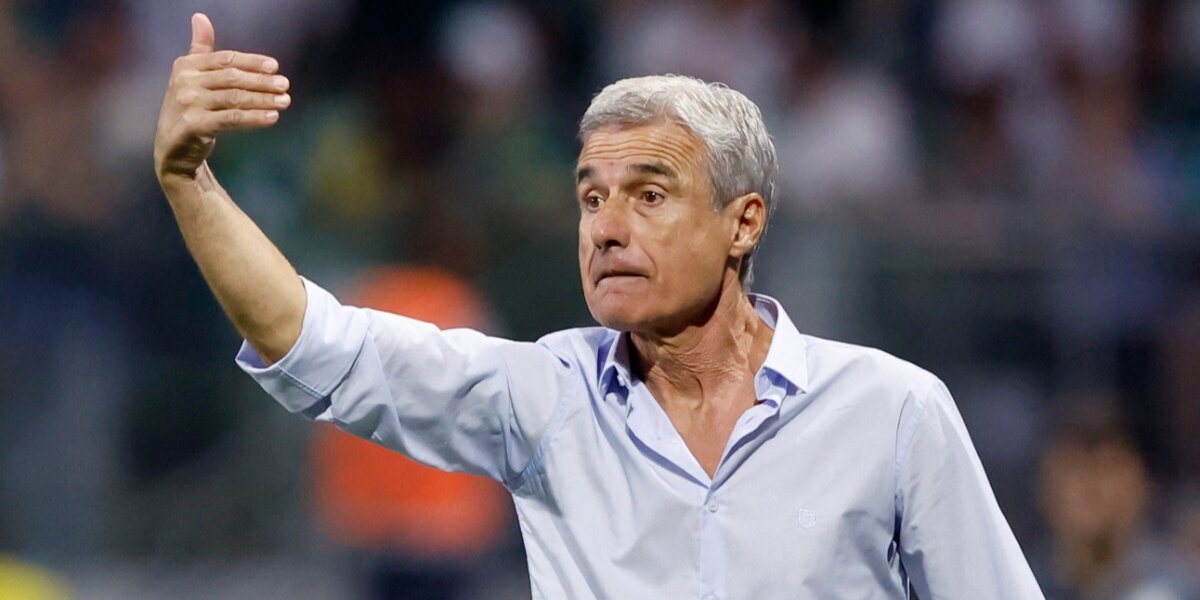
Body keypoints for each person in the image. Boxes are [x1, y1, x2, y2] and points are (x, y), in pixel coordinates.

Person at [153, 13, 1043, 598]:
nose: (607, 229)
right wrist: (189, 182)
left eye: (649, 195)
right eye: (590, 198)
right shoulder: (547, 399)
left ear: (743, 223)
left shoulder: (892, 411)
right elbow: (313, 340)